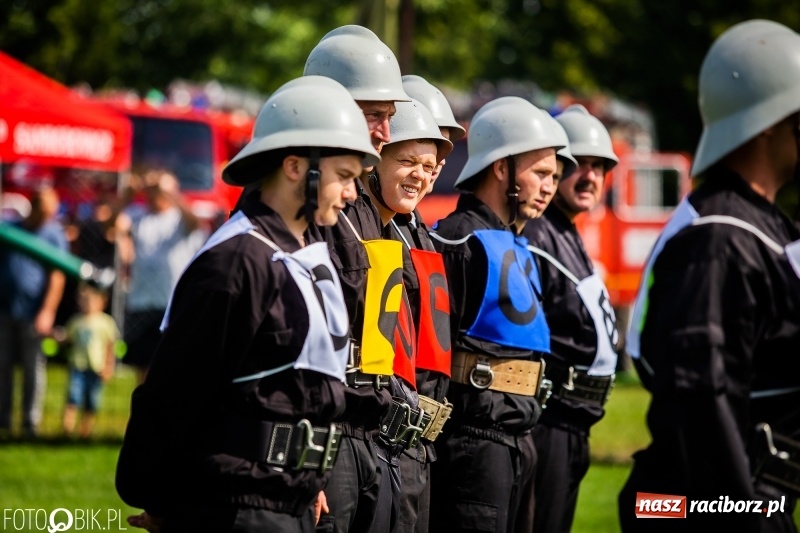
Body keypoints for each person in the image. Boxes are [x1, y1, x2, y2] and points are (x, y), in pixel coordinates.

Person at [115, 75, 380, 533]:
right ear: (295, 167)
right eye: (344, 177)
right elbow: (173, 395)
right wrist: (159, 500)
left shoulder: (306, 254)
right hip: (232, 507)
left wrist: (305, 474)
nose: (353, 194)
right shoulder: (236, 260)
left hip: (288, 501)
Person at [618, 19, 800, 531]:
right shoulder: (719, 240)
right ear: (770, 120)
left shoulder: (760, 228)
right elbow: (701, 401)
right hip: (717, 505)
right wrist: (745, 515)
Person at [428, 97, 563, 533]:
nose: (549, 187)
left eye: (553, 177)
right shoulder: (456, 240)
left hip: (521, 439)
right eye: (540, 173)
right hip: (475, 443)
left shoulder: (517, 242)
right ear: (501, 168)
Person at [303, 25, 414, 533]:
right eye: (375, 116)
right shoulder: (299, 214)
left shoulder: (367, 209)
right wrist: (309, 463)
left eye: (389, 118)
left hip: (372, 431)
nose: (386, 134)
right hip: (329, 436)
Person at [522, 106, 618, 533]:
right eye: (581, 165)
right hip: (549, 420)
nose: (591, 177)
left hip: (575, 423)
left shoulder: (567, 231)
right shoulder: (536, 233)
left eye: (601, 167)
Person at [364, 99, 453, 533]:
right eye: (408, 161)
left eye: (431, 164)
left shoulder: (422, 236)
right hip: (368, 440)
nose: (423, 174)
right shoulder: (352, 231)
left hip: (416, 444)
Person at [116, 169, 206, 385]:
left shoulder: (179, 218)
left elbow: (196, 222)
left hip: (173, 305)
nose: (154, 193)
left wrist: (170, 191)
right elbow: (114, 223)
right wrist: (129, 194)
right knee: (143, 369)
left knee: (174, 368)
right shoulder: (138, 214)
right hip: (142, 303)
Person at [0, 185, 67, 437]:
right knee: (2, 365)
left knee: (32, 367)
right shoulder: (12, 229)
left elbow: (56, 277)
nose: (47, 217)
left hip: (33, 311)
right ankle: (3, 419)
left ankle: (30, 422)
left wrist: (47, 312)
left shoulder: (53, 235)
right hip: (5, 307)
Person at [61, 283, 120, 438]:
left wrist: (109, 366)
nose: (87, 304)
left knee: (91, 402)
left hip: (96, 369)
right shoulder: (76, 321)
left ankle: (84, 432)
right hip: (78, 366)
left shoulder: (106, 323)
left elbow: (110, 347)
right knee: (73, 397)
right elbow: (67, 338)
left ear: (102, 302)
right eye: (84, 300)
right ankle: (66, 431)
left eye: (92, 300)